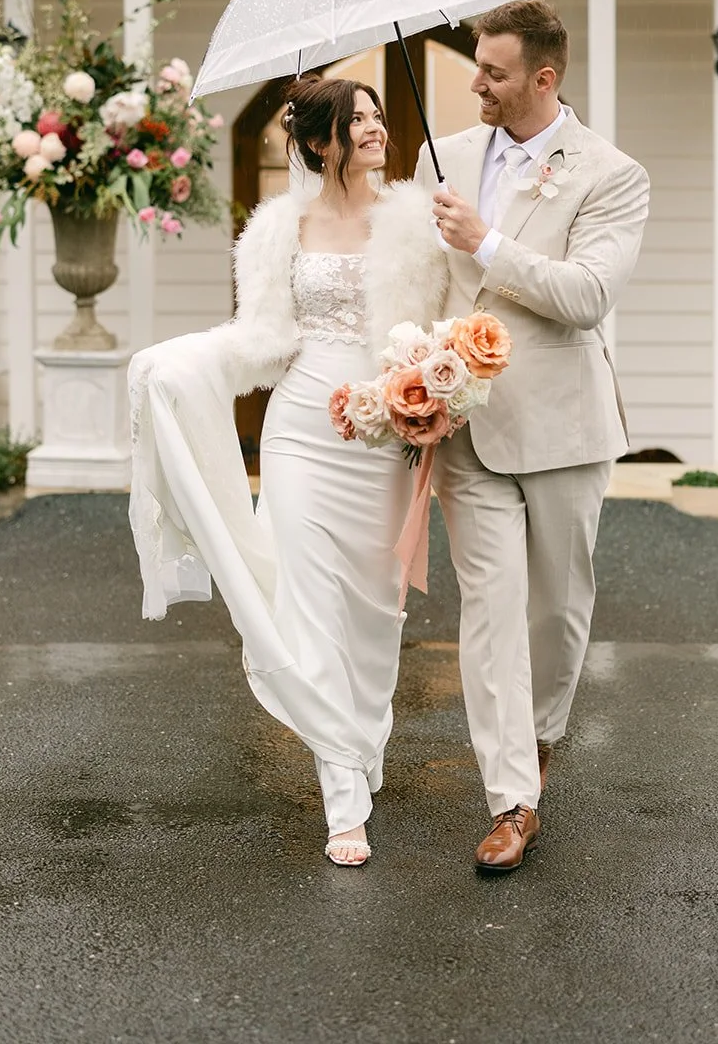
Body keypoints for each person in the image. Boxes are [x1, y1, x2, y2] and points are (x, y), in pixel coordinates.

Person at [129, 76, 447, 866]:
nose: (376, 128)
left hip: (382, 431)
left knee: (375, 613)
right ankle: (343, 794)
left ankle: (358, 739)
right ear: (317, 142)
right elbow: (258, 339)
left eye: (377, 115)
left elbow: (438, 327)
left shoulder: (414, 223)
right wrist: (178, 361)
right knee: (309, 605)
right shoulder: (277, 229)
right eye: (358, 120)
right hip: (302, 428)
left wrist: (432, 386)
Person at [418, 0, 649, 873]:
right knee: (488, 613)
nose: (476, 81)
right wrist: (410, 377)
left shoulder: (611, 174)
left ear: (543, 79)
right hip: (467, 429)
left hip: (561, 425)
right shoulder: (442, 156)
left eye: (494, 72)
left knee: (556, 610)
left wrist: (487, 243)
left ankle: (542, 736)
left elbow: (588, 295)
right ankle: (511, 796)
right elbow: (426, 279)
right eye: (477, 65)